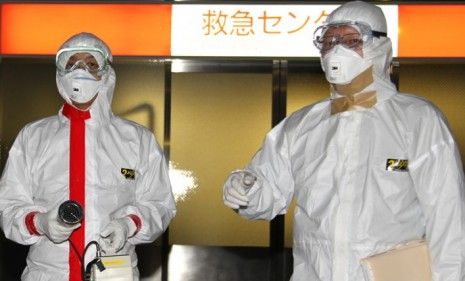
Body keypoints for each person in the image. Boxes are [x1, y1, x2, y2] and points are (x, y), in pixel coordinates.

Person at [223, 1, 465, 281]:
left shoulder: (418, 120)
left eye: (351, 40)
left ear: (379, 46)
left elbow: (449, 220)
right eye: (329, 41)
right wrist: (247, 191)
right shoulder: (301, 126)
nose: (337, 50)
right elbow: (267, 194)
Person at [0, 32, 176, 281]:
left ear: (105, 73)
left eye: (91, 64)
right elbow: (7, 206)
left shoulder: (137, 140)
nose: (80, 71)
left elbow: (160, 204)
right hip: (48, 274)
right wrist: (39, 223)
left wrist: (128, 225)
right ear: (60, 73)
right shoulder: (33, 137)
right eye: (71, 64)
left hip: (114, 273)